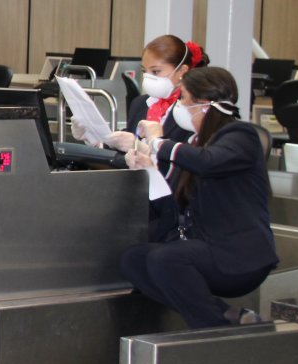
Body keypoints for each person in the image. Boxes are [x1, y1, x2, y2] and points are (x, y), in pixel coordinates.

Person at [120, 66, 278, 329]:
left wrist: (159, 143)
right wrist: (148, 170)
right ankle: (223, 318)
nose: (179, 106)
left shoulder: (240, 135)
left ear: (204, 105)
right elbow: (174, 206)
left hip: (239, 255)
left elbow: (208, 163)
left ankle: (212, 328)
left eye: (183, 99)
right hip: (207, 247)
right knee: (134, 259)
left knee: (166, 259)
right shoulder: (196, 143)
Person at [75, 35, 208, 240]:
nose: (148, 78)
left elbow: (183, 166)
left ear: (182, 72)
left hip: (168, 203)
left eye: (156, 72)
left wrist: (144, 147)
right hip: (133, 194)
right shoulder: (141, 104)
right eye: (145, 71)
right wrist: (96, 140)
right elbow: (123, 156)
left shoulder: (191, 112)